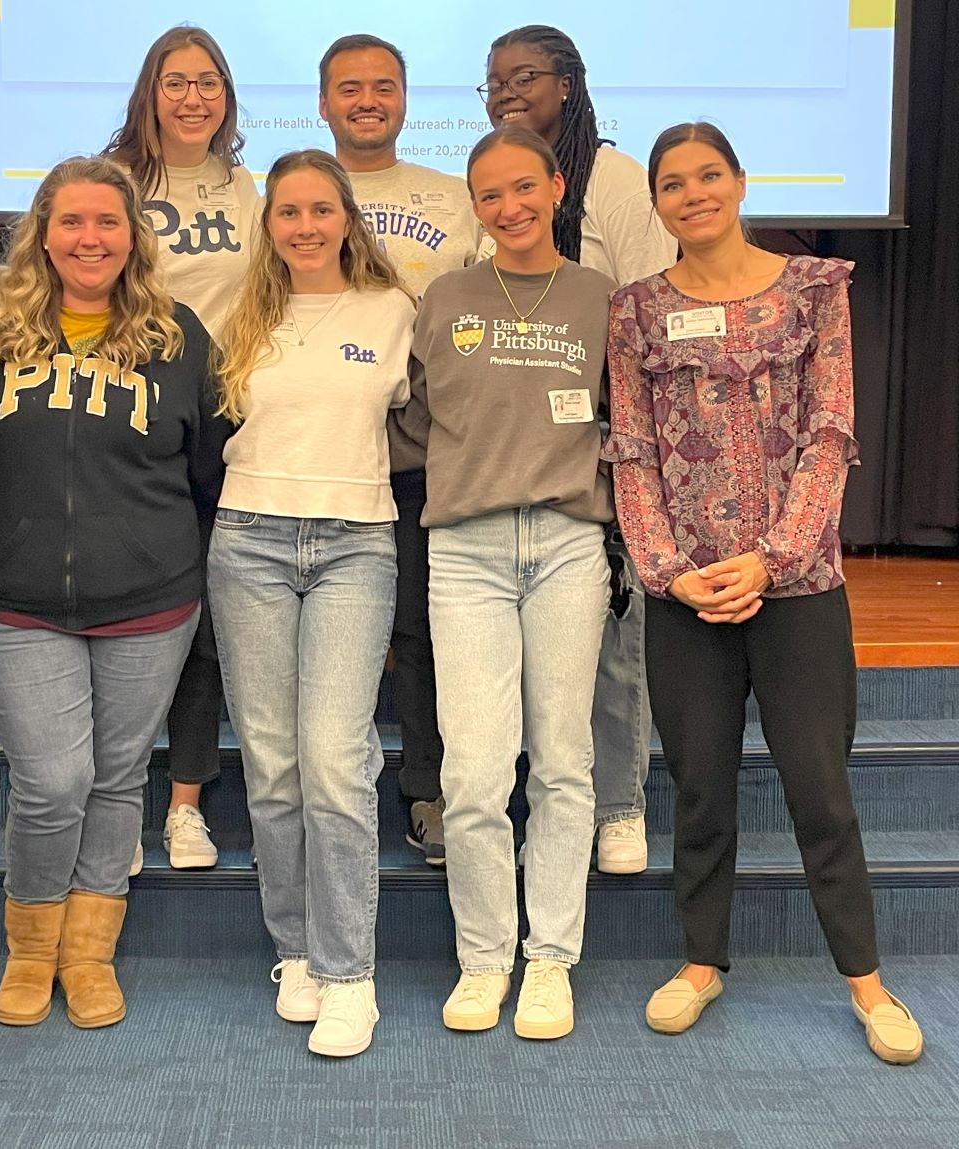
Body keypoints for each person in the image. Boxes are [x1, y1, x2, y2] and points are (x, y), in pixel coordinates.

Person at [603, 122, 923, 1064]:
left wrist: (772, 559)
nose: (693, 193)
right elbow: (632, 454)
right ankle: (702, 963)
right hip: (685, 597)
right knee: (699, 790)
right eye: (674, 183)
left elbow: (831, 433)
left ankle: (867, 983)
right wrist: (667, 569)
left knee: (821, 792)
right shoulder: (635, 312)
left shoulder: (816, 292)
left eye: (710, 176)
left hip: (799, 589)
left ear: (741, 184)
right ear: (656, 201)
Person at [0, 157, 227, 1032]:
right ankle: (31, 946)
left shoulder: (178, 336)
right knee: (51, 780)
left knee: (115, 780)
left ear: (132, 237)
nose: (90, 239)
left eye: (108, 223)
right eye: (71, 222)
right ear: (39, 231)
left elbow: (206, 473)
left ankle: (89, 951)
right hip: (17, 599)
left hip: (150, 599)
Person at [394, 125, 614, 1039]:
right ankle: (485, 959)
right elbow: (410, 421)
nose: (510, 209)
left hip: (568, 544)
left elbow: (625, 424)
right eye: (490, 196)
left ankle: (552, 958)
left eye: (524, 189)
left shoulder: (606, 300)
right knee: (476, 770)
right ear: (474, 207)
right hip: (467, 551)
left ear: (556, 187)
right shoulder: (445, 297)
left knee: (562, 761)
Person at [208, 149, 415, 1058]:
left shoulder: (394, 310)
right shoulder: (239, 315)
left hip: (355, 544)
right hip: (246, 538)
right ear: (269, 224)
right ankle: (294, 948)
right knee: (274, 762)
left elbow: (418, 423)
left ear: (346, 218)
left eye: (319, 210)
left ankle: (349, 971)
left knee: (336, 758)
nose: (303, 226)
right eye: (286, 211)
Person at [483, 24, 679, 874]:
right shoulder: (490, 181)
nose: (508, 92)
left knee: (611, 632)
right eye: (493, 82)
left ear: (568, 84)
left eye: (526, 76)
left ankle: (620, 803)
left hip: (601, 439)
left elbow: (649, 316)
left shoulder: (620, 181)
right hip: (506, 445)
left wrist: (629, 442)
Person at [318, 33, 484, 868]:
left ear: (406, 99)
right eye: (350, 88)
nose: (367, 100)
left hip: (425, 449)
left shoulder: (454, 198)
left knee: (420, 627)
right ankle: (316, 793)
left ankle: (428, 789)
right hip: (322, 449)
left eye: (384, 86)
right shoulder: (298, 190)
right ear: (323, 103)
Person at [104, 25, 258, 868]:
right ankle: (118, 800)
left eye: (208, 81)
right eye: (176, 81)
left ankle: (186, 805)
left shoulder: (251, 190)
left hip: (225, 416)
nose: (193, 96)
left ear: (227, 94)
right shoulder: (115, 181)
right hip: (127, 410)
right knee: (127, 607)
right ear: (149, 91)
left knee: (198, 611)